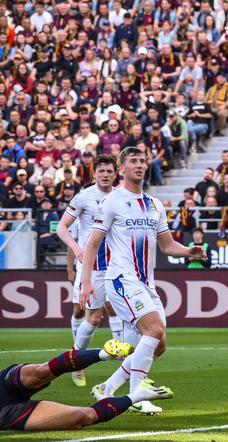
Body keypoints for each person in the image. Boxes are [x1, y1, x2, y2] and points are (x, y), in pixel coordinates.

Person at [81, 147, 206, 415]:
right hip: (121, 279)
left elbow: (168, 245)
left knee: (159, 345)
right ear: (121, 168)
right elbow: (92, 244)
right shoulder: (112, 202)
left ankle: (107, 387)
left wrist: (188, 251)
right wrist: (86, 281)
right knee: (153, 331)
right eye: (133, 161)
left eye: (142, 161)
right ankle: (136, 395)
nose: (139, 165)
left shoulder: (154, 204)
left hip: (146, 283)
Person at [55, 155, 125, 387]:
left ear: (116, 174)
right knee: (92, 317)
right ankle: (76, 361)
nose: (105, 175)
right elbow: (62, 228)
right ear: (94, 173)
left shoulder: (122, 197)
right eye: (101, 171)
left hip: (117, 265)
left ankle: (124, 358)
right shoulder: (84, 197)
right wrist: (76, 247)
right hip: (92, 266)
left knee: (119, 311)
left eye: (110, 171)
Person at [0, 340, 173, 431]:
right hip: (7, 415)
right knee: (85, 416)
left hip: (2, 384)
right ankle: (138, 395)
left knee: (41, 371)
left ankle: (104, 353)